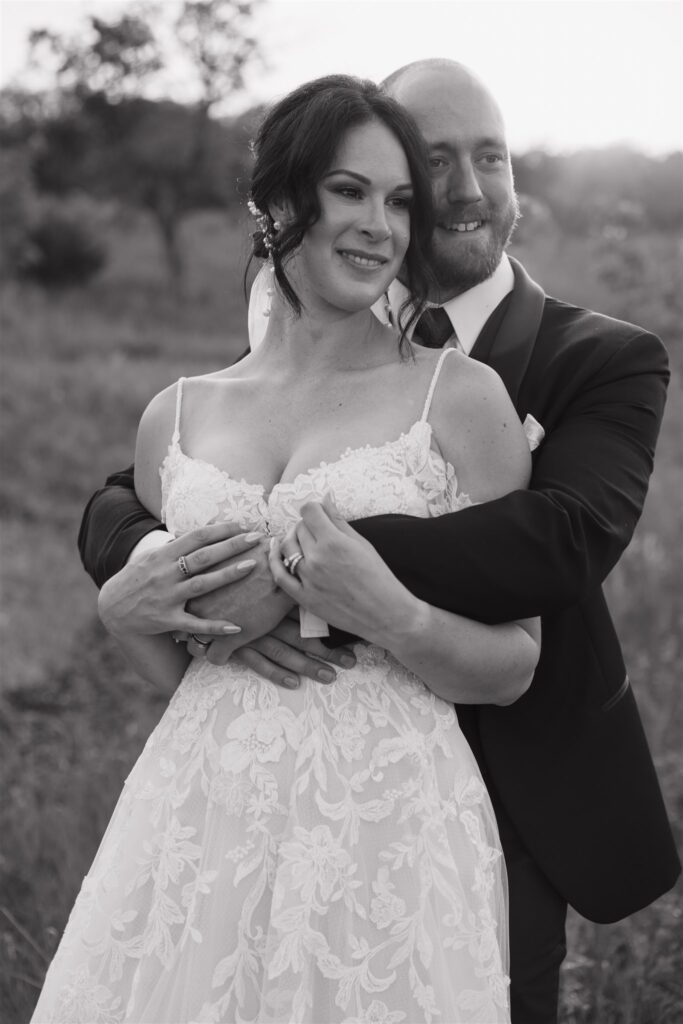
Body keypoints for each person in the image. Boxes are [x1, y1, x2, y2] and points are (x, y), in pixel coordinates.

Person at [75, 61, 681, 1024]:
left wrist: (308, 571)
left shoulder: (574, 363)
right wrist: (130, 585)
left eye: (489, 157)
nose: (454, 194)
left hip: (454, 796)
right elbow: (134, 508)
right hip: (209, 814)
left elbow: (558, 541)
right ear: (278, 205)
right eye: (414, 171)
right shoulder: (206, 390)